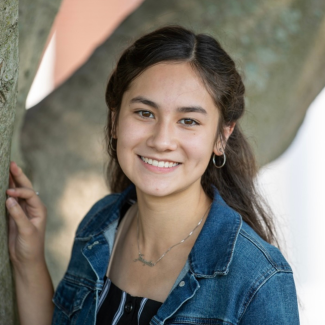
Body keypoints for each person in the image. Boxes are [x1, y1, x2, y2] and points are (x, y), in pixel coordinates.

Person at [6, 26, 300, 325]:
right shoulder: (100, 227)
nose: (161, 140)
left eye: (188, 120)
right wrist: (27, 259)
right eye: (145, 113)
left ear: (221, 137)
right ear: (115, 119)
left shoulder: (259, 279)